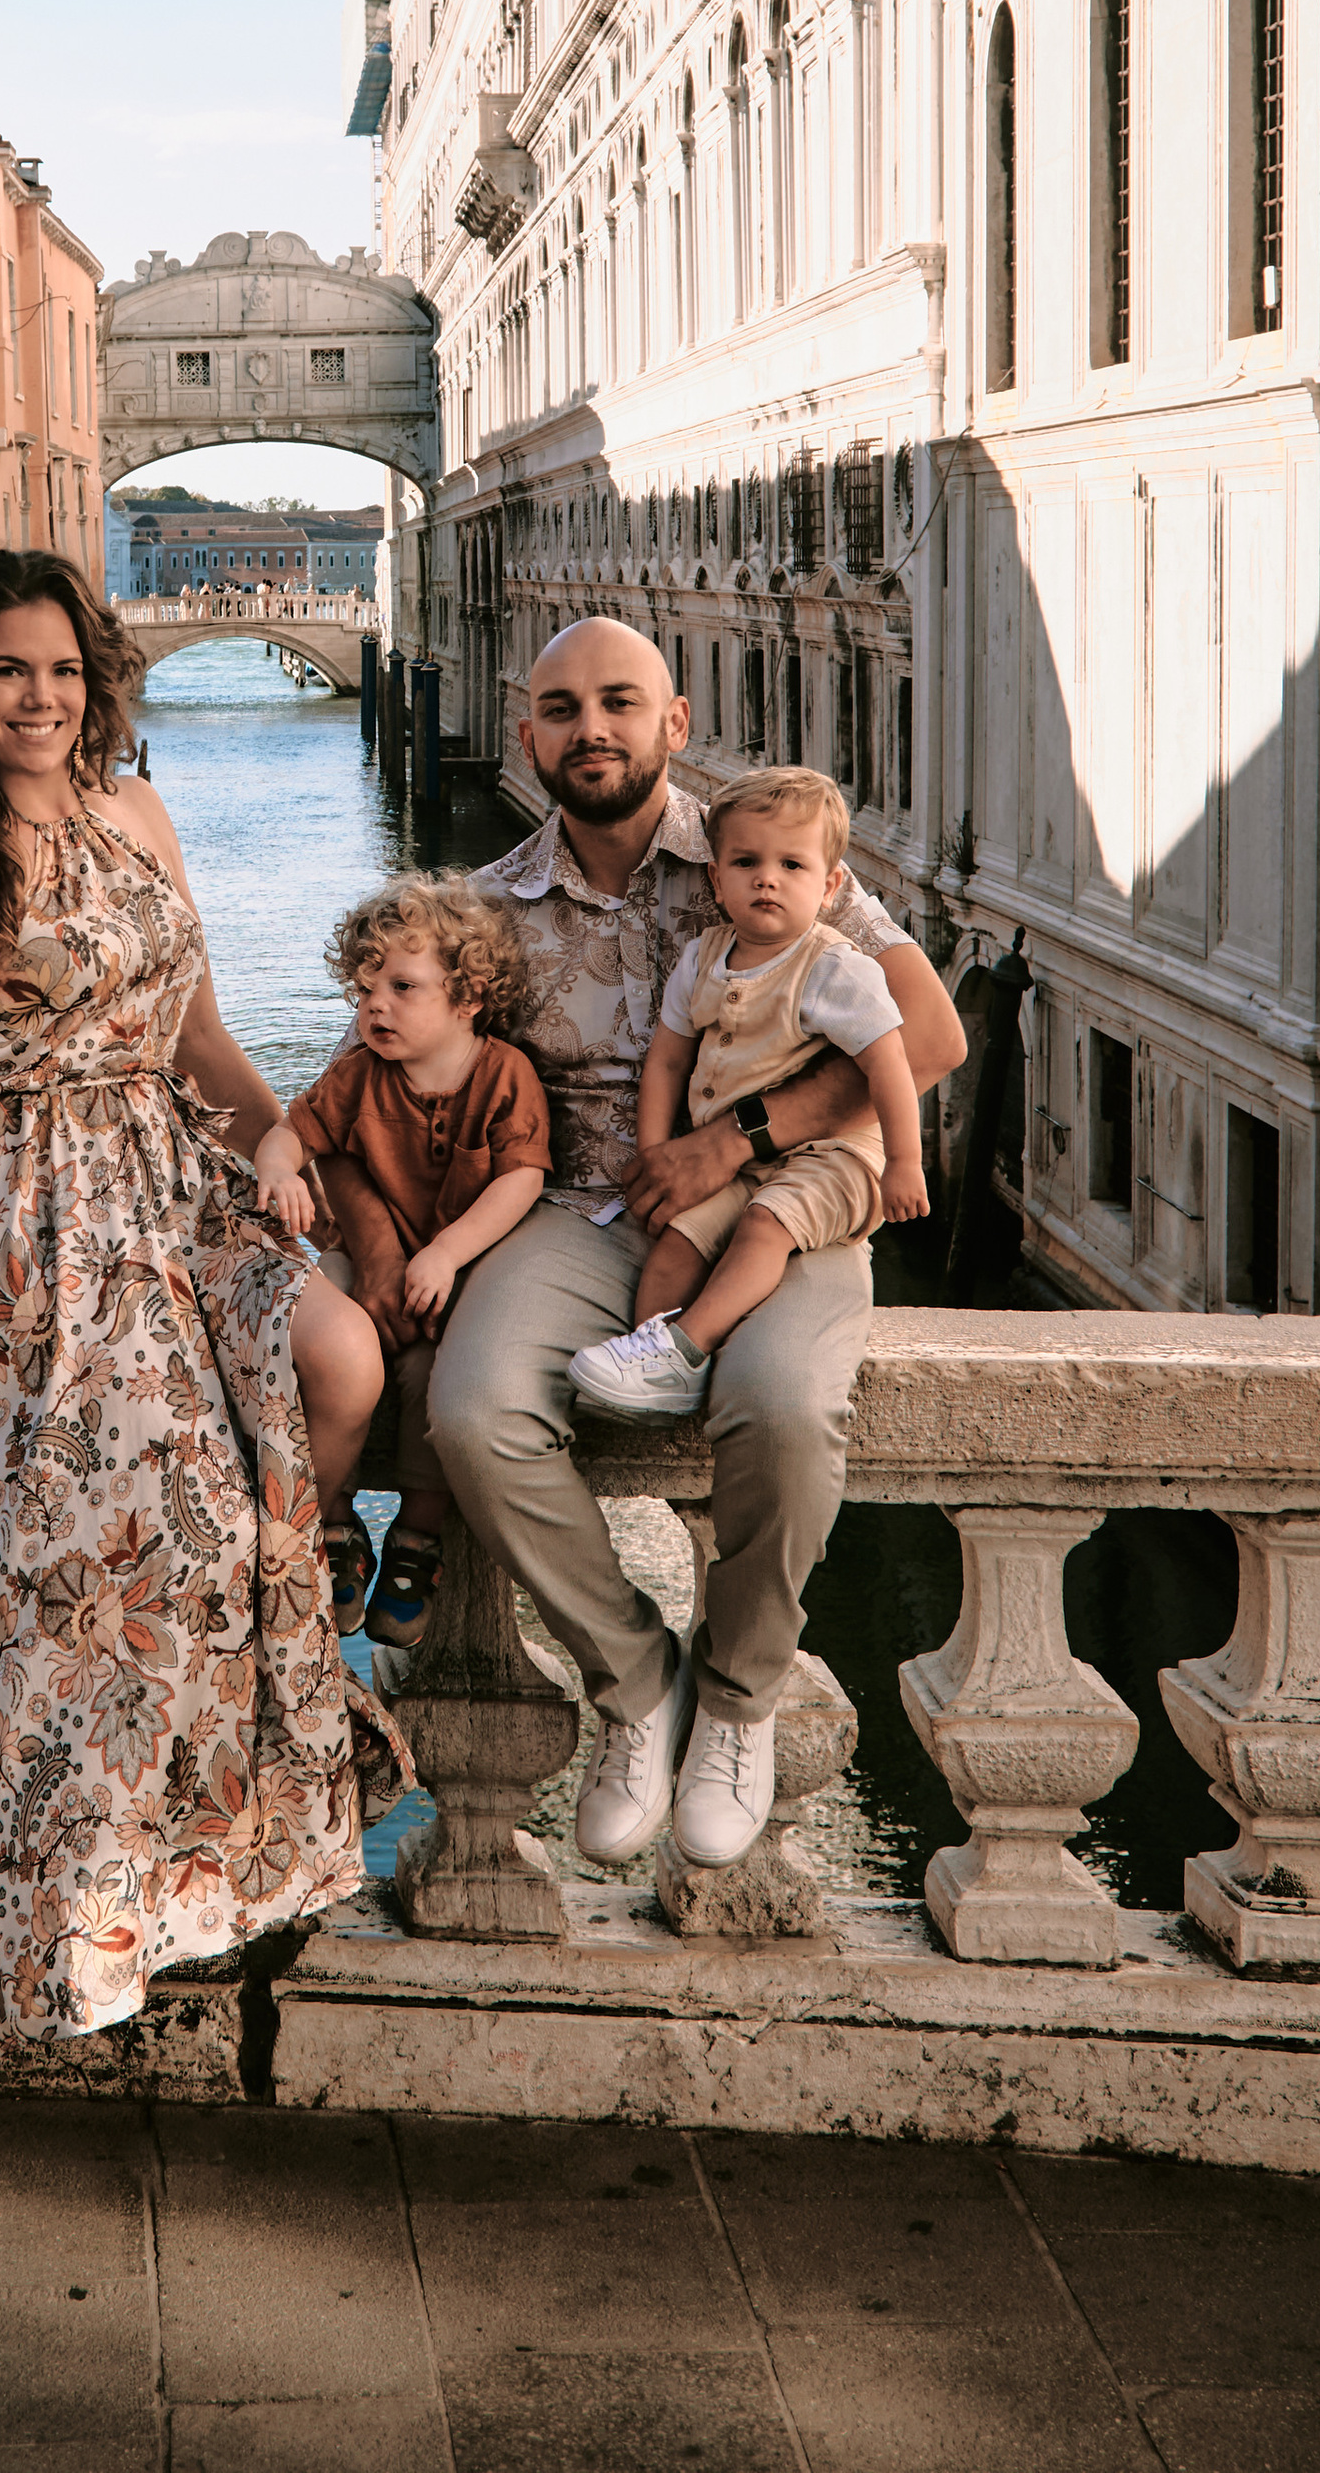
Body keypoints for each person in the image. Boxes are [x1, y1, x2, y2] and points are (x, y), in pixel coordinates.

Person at [0, 545, 404, 2057]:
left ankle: (275, 1644)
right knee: (77, 1573)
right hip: (27, 1216)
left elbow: (202, 1027)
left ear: (91, 679)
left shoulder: (138, 809)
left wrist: (278, 1143)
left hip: (169, 1179)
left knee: (346, 1360)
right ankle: (81, 1933)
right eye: (6, 672)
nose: (38, 697)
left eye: (59, 669)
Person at [347, 618, 963, 1876]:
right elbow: (384, 1084)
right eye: (562, 708)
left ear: (672, 723)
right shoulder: (489, 912)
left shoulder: (768, 851)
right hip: (584, 1218)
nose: (593, 729)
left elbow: (932, 1038)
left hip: (786, 1207)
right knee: (471, 1413)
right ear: (528, 736)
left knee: (783, 1411)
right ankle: (638, 1683)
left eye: (620, 702)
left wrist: (738, 1139)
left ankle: (737, 1702)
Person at [568, 767, 924, 1423]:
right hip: (749, 1164)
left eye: (792, 864)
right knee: (675, 1242)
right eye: (747, 862)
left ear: (829, 885)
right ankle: (655, 1363)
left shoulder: (835, 968)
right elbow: (668, 1061)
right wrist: (655, 1154)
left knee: (764, 1227)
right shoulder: (704, 957)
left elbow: (891, 1064)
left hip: (832, 1160)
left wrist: (904, 1162)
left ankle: (687, 1345)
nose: (768, 878)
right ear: (717, 880)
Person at [255, 873, 550, 1651]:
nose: (374, 1006)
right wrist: (280, 1170)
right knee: (319, 1337)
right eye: (364, 989)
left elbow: (523, 1178)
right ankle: (334, 1515)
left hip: (459, 1265)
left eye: (401, 986)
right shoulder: (359, 1076)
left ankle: (417, 1539)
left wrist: (448, 1254)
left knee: (433, 1377)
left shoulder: (505, 1076)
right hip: (367, 1256)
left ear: (469, 997)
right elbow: (290, 1134)